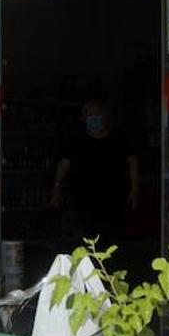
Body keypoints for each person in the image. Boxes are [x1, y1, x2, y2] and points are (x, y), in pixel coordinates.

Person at [50, 99, 140, 237]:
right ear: (83, 119)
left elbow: (133, 163)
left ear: (105, 118)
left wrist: (134, 189)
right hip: (85, 202)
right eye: (89, 116)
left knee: (113, 238)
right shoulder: (77, 142)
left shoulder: (119, 139)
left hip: (114, 200)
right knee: (89, 237)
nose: (93, 120)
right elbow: (63, 166)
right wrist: (56, 189)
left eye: (97, 116)